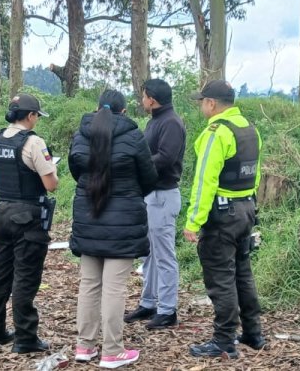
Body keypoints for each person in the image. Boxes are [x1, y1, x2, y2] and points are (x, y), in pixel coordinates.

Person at [70, 89, 158, 369]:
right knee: (114, 288)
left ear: (97, 109)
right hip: (123, 221)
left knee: (89, 284)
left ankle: (84, 346)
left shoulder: (82, 134)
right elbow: (149, 177)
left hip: (88, 214)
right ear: (124, 111)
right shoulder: (133, 136)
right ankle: (111, 351)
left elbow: (76, 171)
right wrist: (130, 193)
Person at [184, 80, 265, 359]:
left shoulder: (216, 133)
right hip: (246, 209)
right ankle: (253, 333)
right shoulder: (249, 128)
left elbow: (204, 180)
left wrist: (194, 221)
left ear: (211, 103)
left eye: (201, 102)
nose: (201, 107)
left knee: (221, 278)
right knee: (242, 272)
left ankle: (223, 341)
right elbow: (254, 175)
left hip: (222, 214)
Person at [0, 94, 59, 354]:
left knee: (1, 275)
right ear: (30, 116)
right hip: (28, 217)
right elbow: (51, 184)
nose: (37, 119)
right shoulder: (34, 142)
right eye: (37, 115)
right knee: (25, 278)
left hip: (2, 214)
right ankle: (25, 338)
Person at [124, 79, 187, 330]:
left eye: (143, 96)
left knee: (164, 256)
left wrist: (139, 165)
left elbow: (167, 158)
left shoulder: (171, 122)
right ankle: (149, 303)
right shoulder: (155, 121)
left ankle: (168, 310)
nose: (141, 101)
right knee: (148, 254)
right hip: (151, 195)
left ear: (151, 98)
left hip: (163, 195)